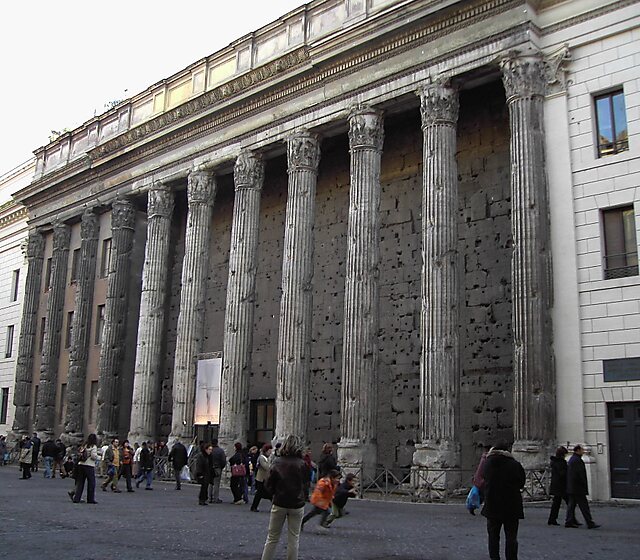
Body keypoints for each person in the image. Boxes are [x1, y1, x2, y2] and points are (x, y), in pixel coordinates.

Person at [260, 435, 309, 560]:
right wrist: (303, 497)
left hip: (279, 502)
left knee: (272, 537)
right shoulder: (302, 464)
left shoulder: (277, 462)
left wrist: (273, 495)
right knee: (294, 538)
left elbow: (268, 483)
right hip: (297, 504)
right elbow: (306, 484)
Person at [480, 443, 525, 560]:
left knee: (493, 536)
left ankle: (494, 558)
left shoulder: (487, 464)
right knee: (511, 536)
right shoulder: (515, 464)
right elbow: (521, 482)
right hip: (511, 505)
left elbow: (483, 478)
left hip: (492, 504)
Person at [565, 444, 600, 529]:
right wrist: (583, 484)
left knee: (572, 505)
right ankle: (589, 522)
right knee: (583, 506)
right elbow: (579, 475)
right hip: (577, 487)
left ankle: (569, 521)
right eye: (582, 450)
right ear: (577, 451)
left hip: (573, 487)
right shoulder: (577, 461)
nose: (583, 451)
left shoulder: (573, 459)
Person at [69, 433, 98, 504]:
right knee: (91, 483)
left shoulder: (84, 445)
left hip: (81, 464)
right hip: (89, 465)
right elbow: (93, 456)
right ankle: (90, 499)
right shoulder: (93, 446)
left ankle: (77, 498)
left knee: (80, 482)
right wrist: (98, 457)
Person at [547, 446, 568, 526]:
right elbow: (562, 474)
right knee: (569, 503)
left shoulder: (555, 462)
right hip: (561, 486)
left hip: (556, 485)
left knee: (556, 503)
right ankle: (570, 519)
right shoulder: (561, 463)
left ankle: (552, 519)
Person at [251, 443, 273, 512]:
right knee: (260, 494)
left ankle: (254, 507)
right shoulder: (261, 458)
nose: (270, 452)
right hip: (260, 478)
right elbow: (266, 467)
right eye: (269, 450)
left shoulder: (267, 458)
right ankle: (254, 507)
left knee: (263, 494)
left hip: (265, 478)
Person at [209, 439, 226, 503]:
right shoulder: (220, 451)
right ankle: (215, 498)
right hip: (217, 468)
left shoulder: (210, 450)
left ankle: (209, 497)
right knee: (216, 483)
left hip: (210, 468)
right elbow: (223, 461)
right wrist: (221, 467)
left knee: (210, 483)